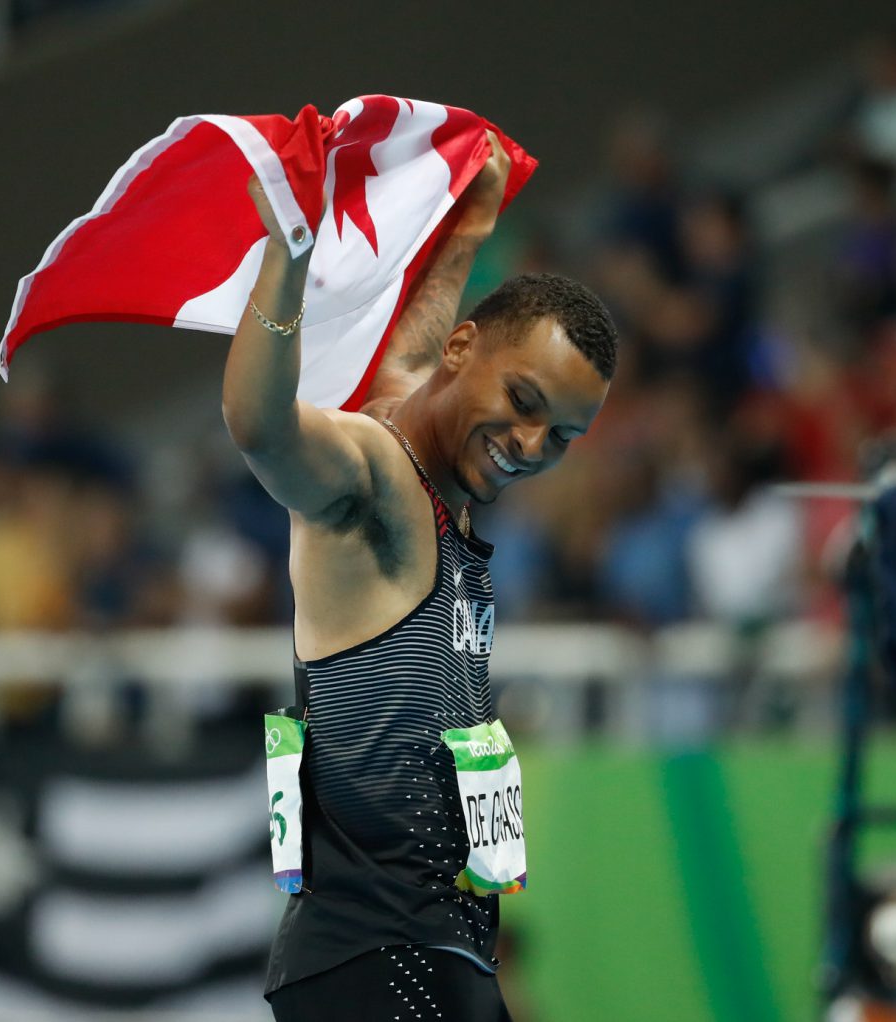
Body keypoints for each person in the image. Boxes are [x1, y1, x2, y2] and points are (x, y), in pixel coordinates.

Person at [223, 135, 618, 1021]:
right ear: (468, 352)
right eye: (524, 405)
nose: (530, 447)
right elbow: (260, 427)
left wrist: (472, 223)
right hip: (379, 960)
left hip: (429, 953)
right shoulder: (371, 480)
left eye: (562, 436)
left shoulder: (426, 463)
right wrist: (285, 262)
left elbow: (421, 349)